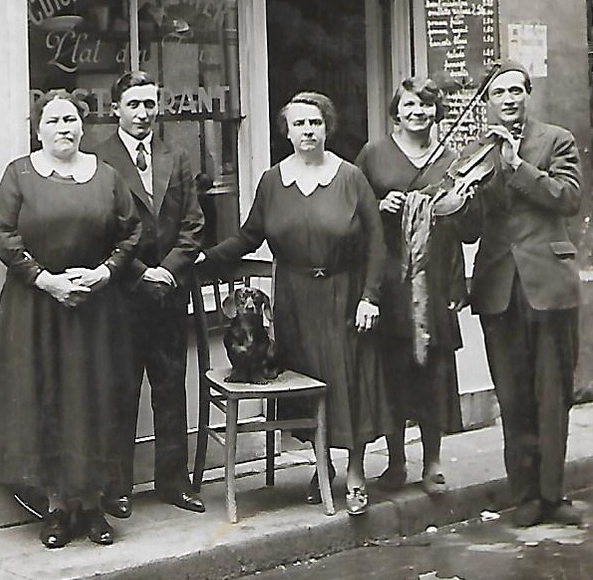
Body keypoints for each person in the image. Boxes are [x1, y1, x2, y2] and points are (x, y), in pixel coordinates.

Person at [201, 91, 389, 516]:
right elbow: (249, 236)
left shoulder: (350, 178)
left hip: (343, 295)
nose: (308, 131)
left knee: (348, 383)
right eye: (299, 124)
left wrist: (369, 298)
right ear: (286, 131)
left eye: (316, 123)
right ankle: (321, 469)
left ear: (327, 128)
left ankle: (355, 472)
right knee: (307, 383)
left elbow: (377, 244)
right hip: (293, 300)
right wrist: (204, 257)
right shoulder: (272, 181)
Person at [0, 90, 142, 549]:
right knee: (48, 399)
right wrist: (45, 281)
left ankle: (93, 507)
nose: (64, 128)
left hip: (95, 311)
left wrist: (104, 272)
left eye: (72, 119)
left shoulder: (106, 176)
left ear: (83, 125)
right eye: (54, 120)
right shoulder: (19, 174)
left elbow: (131, 230)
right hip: (36, 310)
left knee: (94, 401)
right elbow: (2, 235)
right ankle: (57, 509)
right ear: (39, 128)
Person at [457, 60, 583, 526]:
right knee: (512, 396)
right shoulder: (474, 152)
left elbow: (568, 199)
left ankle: (555, 494)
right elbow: (470, 231)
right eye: (498, 93)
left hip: (549, 285)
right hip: (498, 289)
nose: (509, 99)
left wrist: (518, 167)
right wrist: (458, 202)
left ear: (527, 94)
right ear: (487, 102)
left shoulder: (556, 140)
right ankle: (526, 494)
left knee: (553, 394)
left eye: (516, 90)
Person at [92, 72, 205, 515]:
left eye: (149, 105)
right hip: (122, 294)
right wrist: (141, 274)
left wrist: (168, 272)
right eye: (133, 104)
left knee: (170, 386)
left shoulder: (175, 157)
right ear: (116, 107)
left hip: (168, 294)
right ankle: (117, 486)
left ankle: (172, 482)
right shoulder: (99, 160)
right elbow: (100, 231)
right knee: (121, 390)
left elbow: (193, 225)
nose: (142, 114)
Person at [356, 77, 467, 495]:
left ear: (435, 112)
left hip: (433, 276)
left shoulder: (450, 158)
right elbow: (355, 209)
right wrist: (381, 206)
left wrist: (452, 206)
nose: (418, 112)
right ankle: (397, 461)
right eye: (409, 105)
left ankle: (433, 462)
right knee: (393, 368)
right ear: (396, 111)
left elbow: (463, 228)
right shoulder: (374, 154)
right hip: (390, 275)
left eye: (425, 105)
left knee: (433, 368)